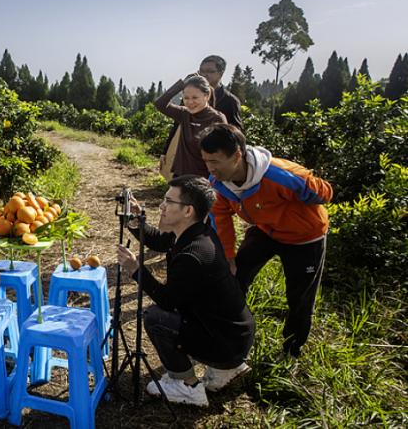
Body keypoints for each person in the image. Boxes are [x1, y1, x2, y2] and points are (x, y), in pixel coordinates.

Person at [116, 175, 254, 407]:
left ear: (188, 210)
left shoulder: (194, 254)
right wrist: (136, 221)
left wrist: (136, 270)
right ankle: (224, 367)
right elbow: (160, 241)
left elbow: (167, 301)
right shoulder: (197, 231)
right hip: (231, 333)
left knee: (155, 318)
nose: (161, 206)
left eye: (169, 201)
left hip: (225, 341)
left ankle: (188, 386)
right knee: (166, 316)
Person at [199, 124, 333, 358]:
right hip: (265, 230)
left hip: (304, 238)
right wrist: (228, 257)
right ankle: (229, 331)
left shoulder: (278, 175)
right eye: (206, 161)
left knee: (300, 297)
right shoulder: (218, 184)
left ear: (237, 155)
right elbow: (220, 219)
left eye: (216, 162)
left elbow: (325, 193)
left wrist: (307, 187)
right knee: (235, 275)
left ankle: (292, 350)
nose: (211, 169)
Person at [156, 74, 227, 179]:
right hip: (180, 175)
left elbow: (223, 152)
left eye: (195, 97)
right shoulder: (184, 114)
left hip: (204, 178)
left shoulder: (216, 119)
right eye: (186, 98)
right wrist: (181, 84)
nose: (190, 102)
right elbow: (160, 104)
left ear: (206, 96)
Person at [198, 55, 243, 130]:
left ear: (221, 74)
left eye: (210, 71)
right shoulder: (191, 96)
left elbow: (236, 132)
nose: (204, 75)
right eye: (202, 71)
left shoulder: (230, 101)